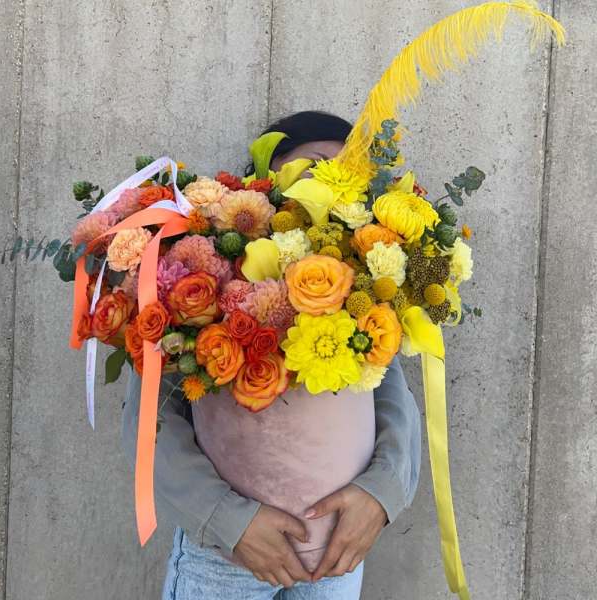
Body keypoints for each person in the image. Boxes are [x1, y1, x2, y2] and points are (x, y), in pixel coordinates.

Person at [122, 111, 422, 600]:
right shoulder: (204, 273)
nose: (331, 181)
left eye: (347, 174)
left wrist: (380, 495)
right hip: (225, 556)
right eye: (316, 164)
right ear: (267, 172)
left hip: (335, 550)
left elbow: (391, 398)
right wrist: (227, 520)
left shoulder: (359, 285)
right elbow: (151, 419)